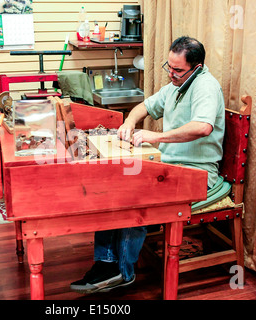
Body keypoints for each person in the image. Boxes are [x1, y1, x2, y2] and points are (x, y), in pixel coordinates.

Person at [70, 36, 226, 294]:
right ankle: (106, 262)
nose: (171, 74)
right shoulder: (177, 85)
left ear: (196, 68)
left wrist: (157, 136)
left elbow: (202, 126)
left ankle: (123, 271)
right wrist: (129, 122)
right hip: (170, 164)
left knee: (137, 193)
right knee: (115, 183)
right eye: (169, 67)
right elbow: (144, 106)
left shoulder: (205, 87)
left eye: (177, 70)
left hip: (197, 173)